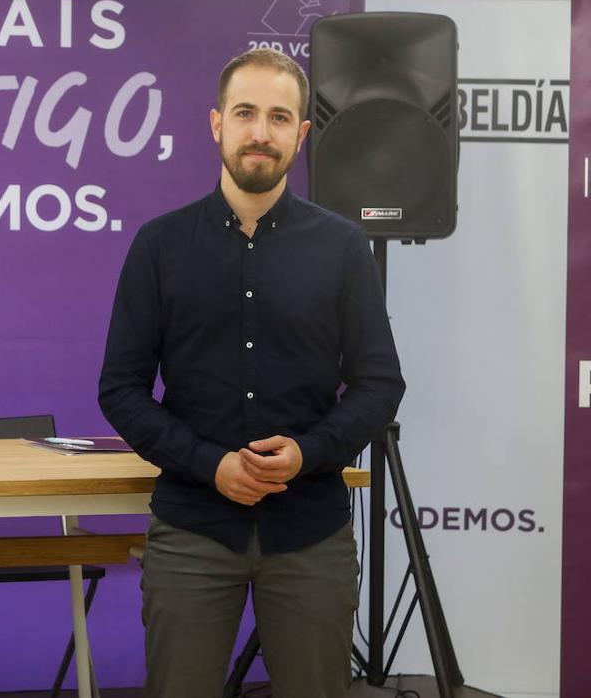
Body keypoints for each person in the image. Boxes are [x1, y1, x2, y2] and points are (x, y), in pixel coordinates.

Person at [98, 49, 405, 698]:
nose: (260, 132)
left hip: (311, 532)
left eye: (278, 116)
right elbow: (121, 389)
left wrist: (308, 453)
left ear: (302, 133)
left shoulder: (343, 249)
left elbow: (380, 383)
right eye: (245, 113)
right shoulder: (160, 246)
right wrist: (210, 464)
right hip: (192, 528)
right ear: (217, 124)